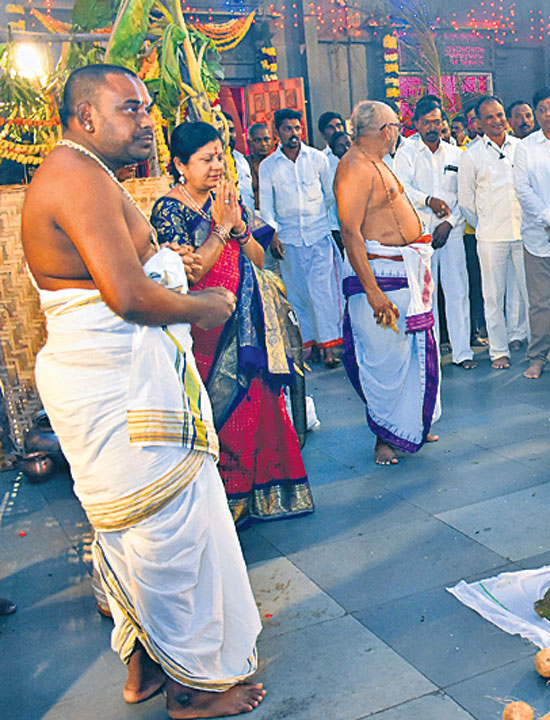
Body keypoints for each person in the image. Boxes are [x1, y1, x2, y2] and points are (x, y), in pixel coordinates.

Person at [23, 64, 263, 717]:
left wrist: (174, 269)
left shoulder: (89, 173)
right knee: (163, 533)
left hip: (120, 382)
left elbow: (120, 273)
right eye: (130, 108)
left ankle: (144, 673)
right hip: (115, 385)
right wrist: (202, 304)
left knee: (131, 530)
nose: (147, 119)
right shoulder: (75, 177)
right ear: (85, 116)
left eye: (148, 106)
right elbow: (127, 297)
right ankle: (189, 688)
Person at [150, 120, 311, 525]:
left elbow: (257, 258)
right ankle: (226, 507)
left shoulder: (228, 197)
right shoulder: (169, 209)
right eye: (206, 159)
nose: (217, 166)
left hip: (248, 321)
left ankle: (265, 495)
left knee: (261, 406)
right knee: (226, 413)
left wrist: (239, 226)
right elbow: (190, 273)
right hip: (207, 328)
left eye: (219, 156)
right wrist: (222, 225)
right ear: (180, 165)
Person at [334, 101, 442, 466]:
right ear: (385, 130)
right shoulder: (353, 167)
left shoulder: (379, 162)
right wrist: (373, 291)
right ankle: (384, 436)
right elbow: (350, 233)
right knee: (382, 358)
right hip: (381, 277)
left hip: (405, 270)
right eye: (396, 125)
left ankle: (411, 423)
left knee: (410, 354)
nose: (398, 131)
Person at [258, 107, 343, 367]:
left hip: (318, 235)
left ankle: (329, 348)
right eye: (287, 129)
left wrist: (314, 215)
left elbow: (330, 194)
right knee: (298, 295)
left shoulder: (317, 158)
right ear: (277, 132)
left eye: (296, 128)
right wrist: (273, 235)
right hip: (289, 240)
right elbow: (267, 206)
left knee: (322, 293)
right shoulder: (269, 166)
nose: (293, 134)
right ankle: (310, 346)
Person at [401, 98, 476, 369]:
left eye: (437, 121)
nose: (433, 127)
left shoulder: (456, 154)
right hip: (419, 233)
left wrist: (450, 222)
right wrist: (429, 201)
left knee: (457, 291)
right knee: (425, 295)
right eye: (427, 122)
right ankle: (429, 353)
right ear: (417, 124)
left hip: (451, 231)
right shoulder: (406, 153)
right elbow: (403, 189)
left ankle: (462, 352)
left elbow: (465, 195)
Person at [458, 95, 529, 369]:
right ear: (478, 123)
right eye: (490, 117)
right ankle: (498, 350)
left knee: (526, 292)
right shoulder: (471, 155)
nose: (497, 121)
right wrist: (485, 225)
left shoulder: (520, 148)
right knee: (493, 295)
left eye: (500, 115)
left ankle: (524, 338)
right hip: (490, 235)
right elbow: (466, 202)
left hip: (523, 233)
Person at [513, 87, 550, 380]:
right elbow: (523, 190)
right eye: (542, 109)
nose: (548, 114)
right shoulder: (525, 147)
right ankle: (537, 357)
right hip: (540, 235)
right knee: (540, 302)